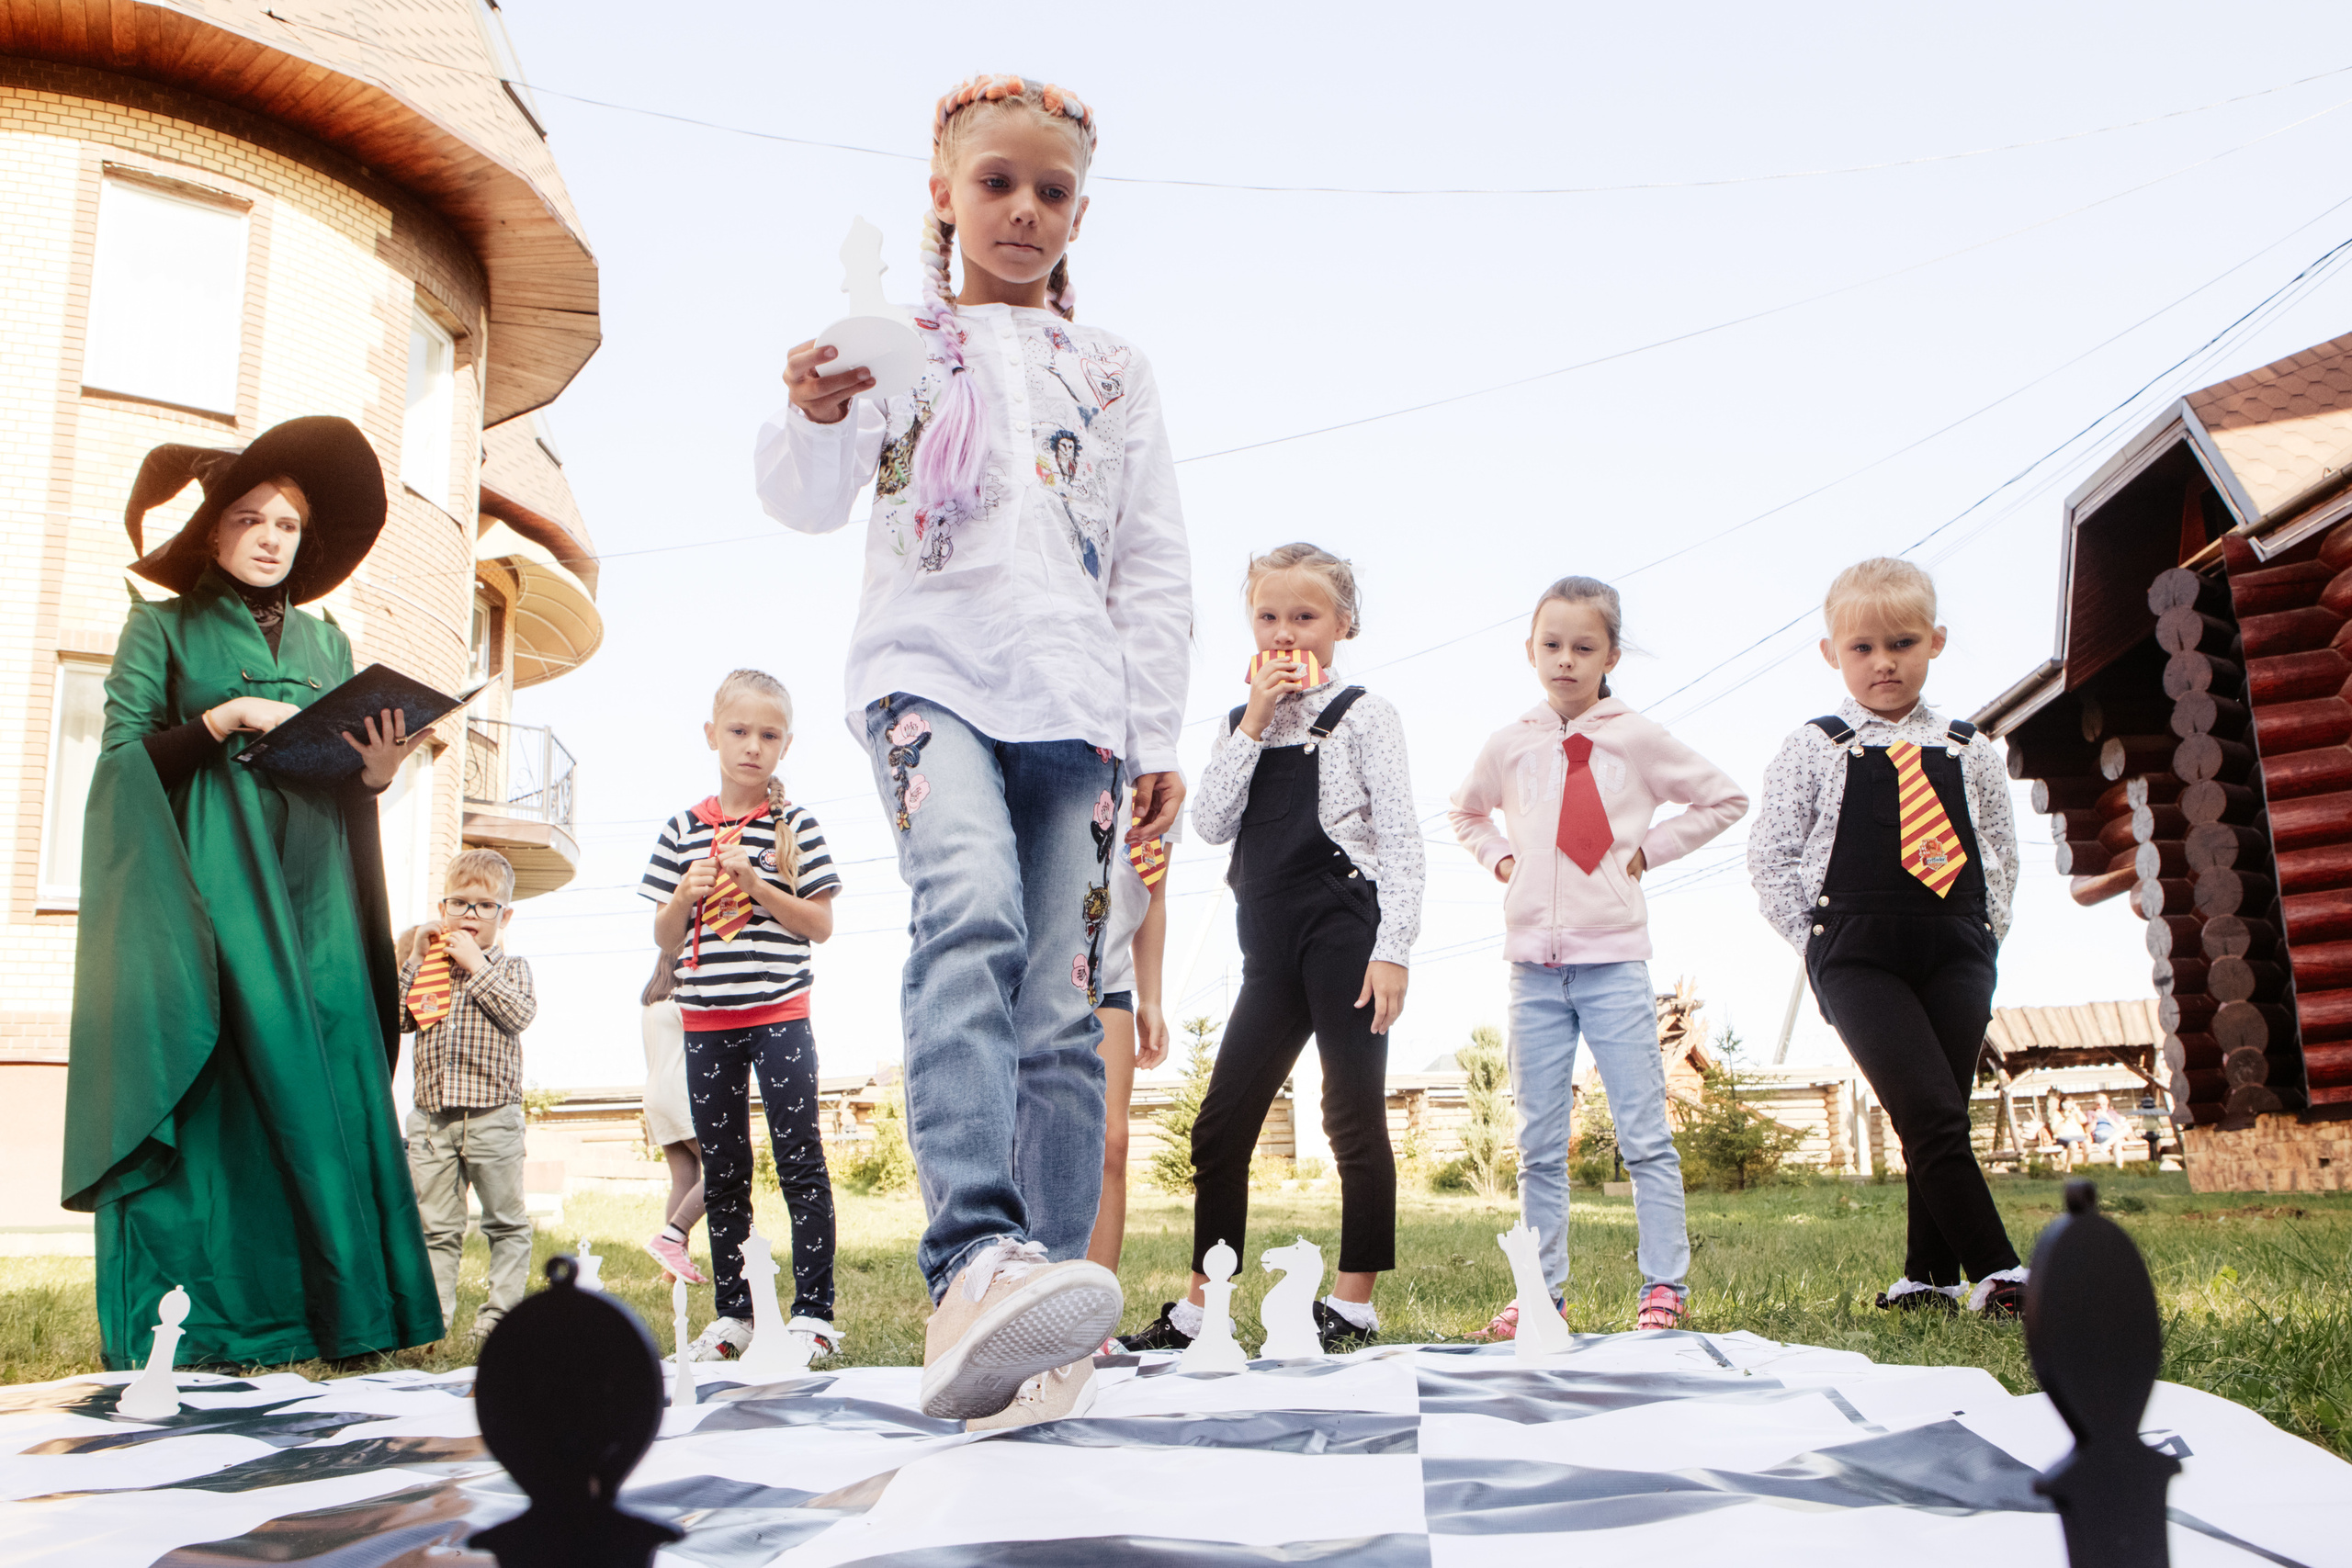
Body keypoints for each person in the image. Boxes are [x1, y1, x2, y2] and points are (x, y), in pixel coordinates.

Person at [755, 74, 1191, 1427]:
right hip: (927, 676)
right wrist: (819, 412)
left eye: (1051, 191)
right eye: (996, 182)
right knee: (972, 913)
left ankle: (1046, 1308)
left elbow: (1152, 554)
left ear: (1080, 214)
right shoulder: (901, 344)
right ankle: (970, 1263)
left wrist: (1156, 725)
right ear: (942, 194)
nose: (1023, 209)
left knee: (1067, 989)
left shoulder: (1112, 369)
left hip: (1079, 703)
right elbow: (806, 501)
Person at [62, 417, 441, 1367]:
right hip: (211, 901)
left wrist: (380, 774)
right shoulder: (161, 625)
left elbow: (348, 777)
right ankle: (208, 1329)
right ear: (214, 531)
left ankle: (343, 1321)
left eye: (289, 523)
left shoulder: (329, 639)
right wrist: (226, 715)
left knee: (323, 1093)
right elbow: (119, 763)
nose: (274, 537)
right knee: (225, 1098)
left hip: (316, 900)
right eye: (252, 517)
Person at [1124, 544, 1423, 1355]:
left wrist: (1392, 947)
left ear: (1343, 625)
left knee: (1349, 1112)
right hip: (1267, 943)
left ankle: (1354, 1304)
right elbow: (1211, 822)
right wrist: (1253, 723)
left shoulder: (1366, 714)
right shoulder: (1236, 725)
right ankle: (1202, 1306)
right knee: (1220, 1126)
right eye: (1268, 616)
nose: (1286, 632)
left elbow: (1399, 839)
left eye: (1306, 616)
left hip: (1343, 929)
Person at [1448, 576, 1747, 1336]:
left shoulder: (1637, 737)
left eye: (1585, 647)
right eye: (1552, 645)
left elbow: (1723, 798)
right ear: (1530, 650)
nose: (1567, 661)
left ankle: (1663, 1288)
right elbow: (1465, 811)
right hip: (1533, 971)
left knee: (1644, 1132)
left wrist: (1648, 850)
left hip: (1614, 963)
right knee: (1538, 1142)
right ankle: (1542, 1293)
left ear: (1612, 653)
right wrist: (1502, 862)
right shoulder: (1508, 742)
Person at [1748, 558, 2029, 1318]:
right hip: (1858, 951)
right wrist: (1816, 942)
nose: (1883, 662)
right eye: (1863, 647)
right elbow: (1770, 854)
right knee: (1929, 1108)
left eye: (1902, 643)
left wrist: (1985, 933)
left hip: (1956, 945)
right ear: (1832, 653)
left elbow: (2000, 851)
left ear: (1935, 641)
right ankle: (2003, 1274)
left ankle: (1928, 1278)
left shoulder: (1972, 748)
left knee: (1936, 1107)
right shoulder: (1816, 745)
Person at [642, 670, 844, 1362]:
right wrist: (683, 898)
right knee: (725, 1168)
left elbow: (819, 924)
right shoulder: (679, 830)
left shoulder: (797, 828)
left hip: (781, 1014)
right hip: (706, 1022)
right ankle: (735, 1315)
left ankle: (813, 1312)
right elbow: (666, 942)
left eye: (768, 734)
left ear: (785, 746)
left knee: (800, 1161)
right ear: (711, 736)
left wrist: (757, 885)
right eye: (738, 731)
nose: (752, 746)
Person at [398, 849, 538, 1344]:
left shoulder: (512, 967)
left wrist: (477, 964)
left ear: (505, 915)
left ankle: (500, 1318)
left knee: (504, 1221)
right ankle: (431, 1322)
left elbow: (518, 1015)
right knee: (435, 1226)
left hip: (493, 1117)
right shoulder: (430, 971)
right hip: (433, 1120)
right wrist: (414, 960)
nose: (470, 916)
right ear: (443, 909)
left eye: (485, 906)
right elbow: (399, 1020)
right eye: (459, 904)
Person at [1085, 793, 1176, 1272]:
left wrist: (1152, 999)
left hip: (1110, 982)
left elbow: (1153, 896)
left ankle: (1091, 1321)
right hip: (1036, 978)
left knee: (1111, 1140)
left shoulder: (1159, 787)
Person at [640, 950, 707, 1284]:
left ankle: (672, 1269)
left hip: (655, 1095)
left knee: (684, 1179)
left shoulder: (651, 1008)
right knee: (724, 1169)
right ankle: (672, 1238)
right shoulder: (682, 1005)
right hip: (682, 1094)